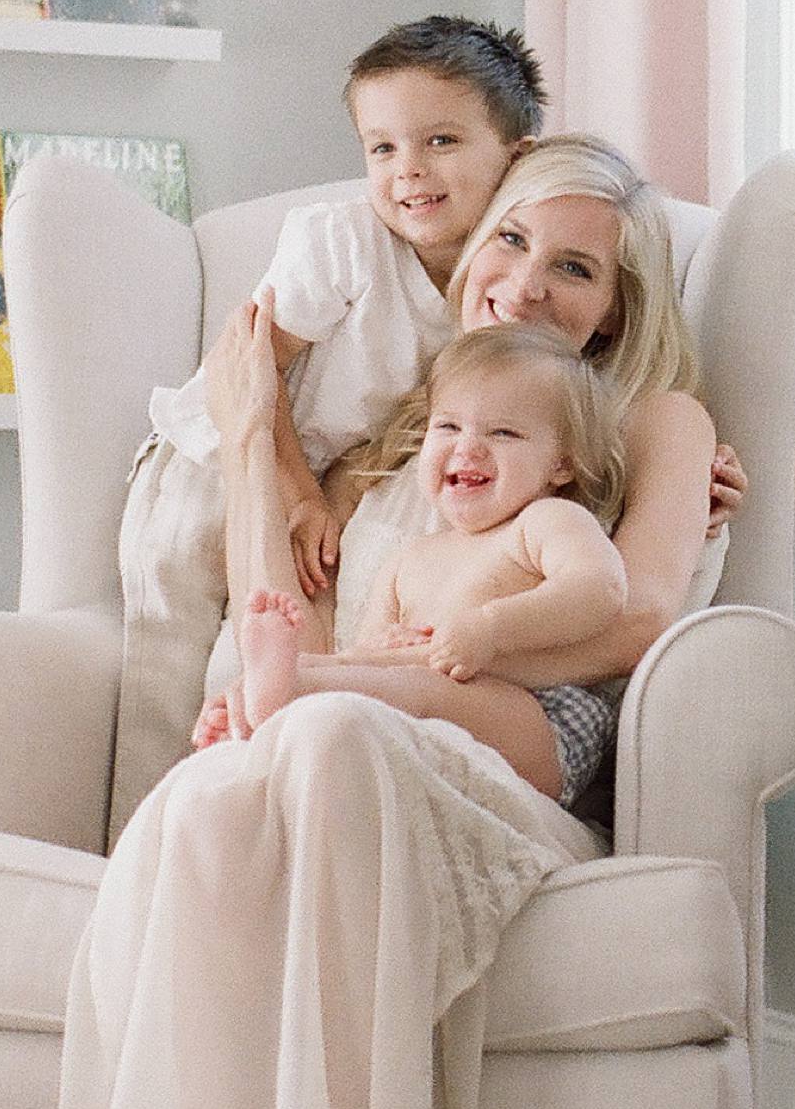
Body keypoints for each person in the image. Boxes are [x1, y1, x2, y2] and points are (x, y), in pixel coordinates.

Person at [58, 134, 751, 1109]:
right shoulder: (416, 411)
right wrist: (258, 424)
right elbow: (276, 603)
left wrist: (351, 681)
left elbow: (639, 615)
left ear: (618, 307)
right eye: (510, 245)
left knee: (309, 740)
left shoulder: (653, 418)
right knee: (224, 798)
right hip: (348, 747)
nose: (530, 284)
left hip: (506, 765)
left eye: (577, 268)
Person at [108, 14, 547, 834]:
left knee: (275, 643)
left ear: (515, 156)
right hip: (212, 454)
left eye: (441, 141)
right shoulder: (342, 243)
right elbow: (251, 369)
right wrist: (299, 492)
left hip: (327, 475)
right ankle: (138, 826)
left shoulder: (505, 282)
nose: (408, 172)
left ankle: (259, 806)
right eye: (381, 149)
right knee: (171, 640)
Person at [227, 326, 634, 809]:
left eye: (503, 432)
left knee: (423, 687)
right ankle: (266, 695)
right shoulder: (410, 560)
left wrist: (492, 627)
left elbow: (600, 588)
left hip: (539, 716)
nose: (468, 448)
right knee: (365, 688)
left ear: (561, 466)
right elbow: (366, 657)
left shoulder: (545, 521)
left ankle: (288, 688)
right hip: (417, 720)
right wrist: (375, 650)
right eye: (448, 427)